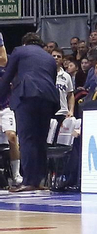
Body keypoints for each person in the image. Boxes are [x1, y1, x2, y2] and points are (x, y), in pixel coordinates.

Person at [0, 33, 58, 192]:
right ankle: (38, 181)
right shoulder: (49, 58)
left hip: (27, 95)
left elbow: (7, 76)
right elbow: (51, 80)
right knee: (40, 140)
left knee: (27, 139)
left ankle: (27, 181)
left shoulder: (19, 51)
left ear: (25, 43)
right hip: (49, 98)